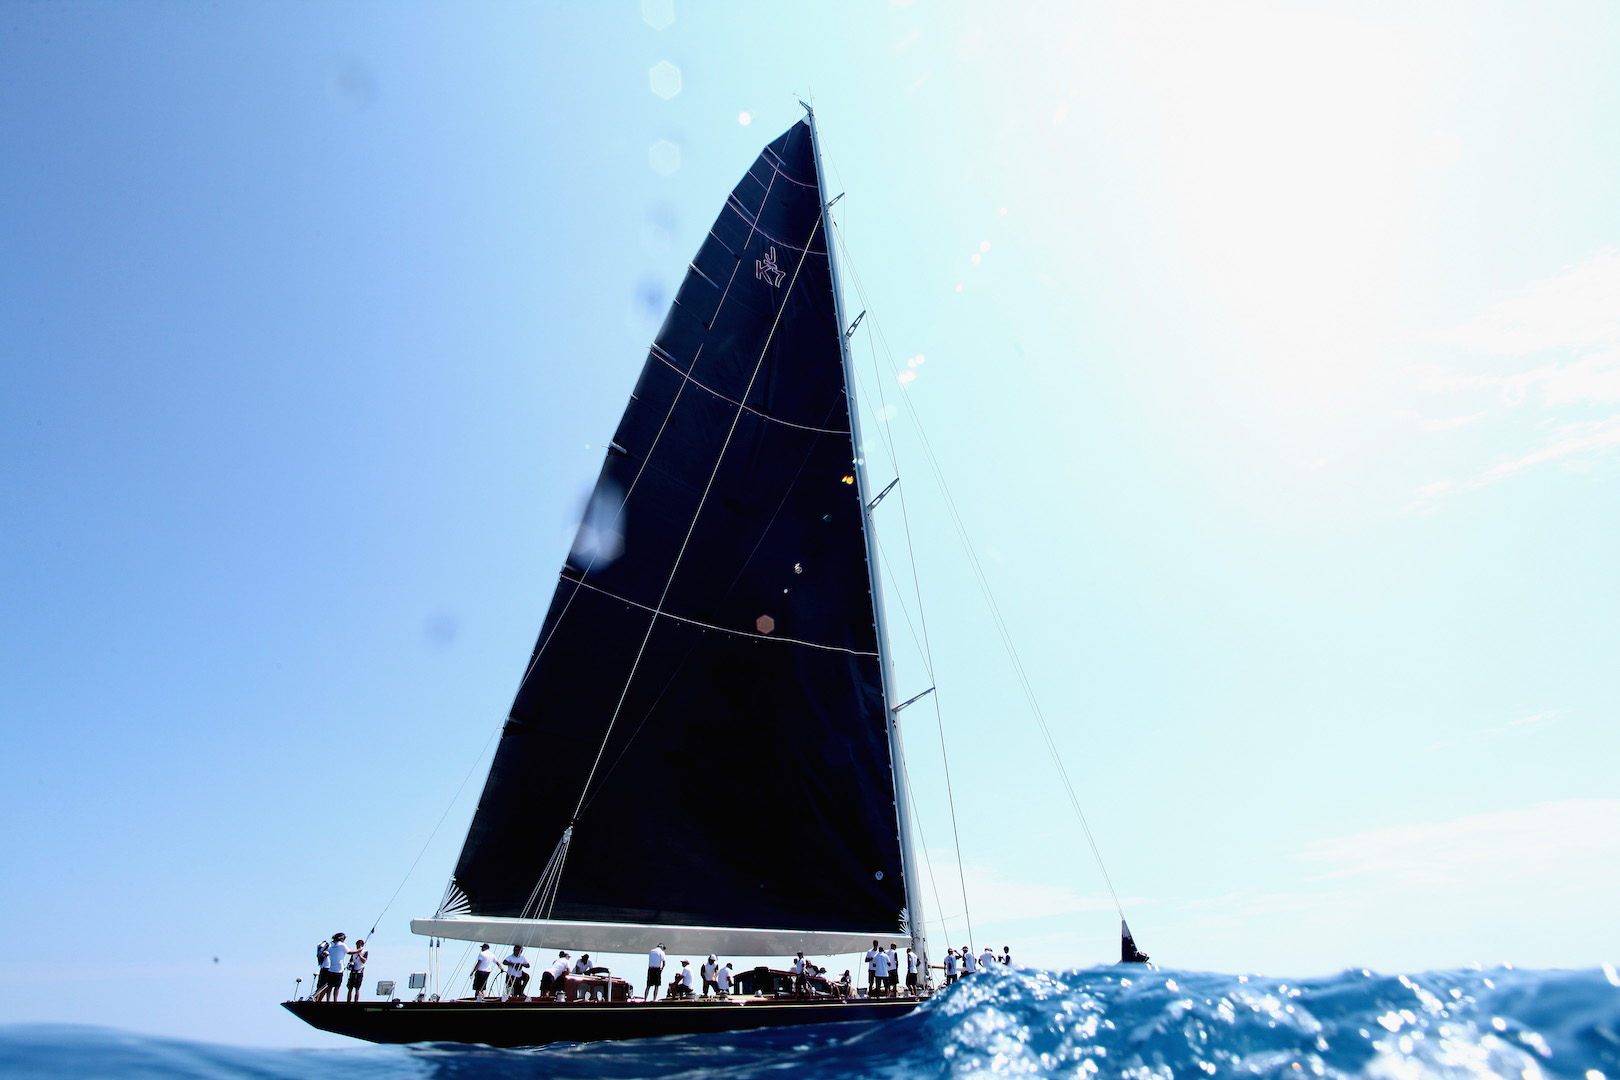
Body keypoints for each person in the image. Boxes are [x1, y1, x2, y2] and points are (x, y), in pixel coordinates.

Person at [320, 933, 349, 1003]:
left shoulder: (332, 946)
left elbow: (325, 951)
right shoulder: (342, 945)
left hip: (331, 969)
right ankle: (335, 1000)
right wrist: (360, 950)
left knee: (330, 986)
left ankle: (328, 1000)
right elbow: (349, 952)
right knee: (337, 987)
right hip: (339, 969)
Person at [345, 938, 368, 1003]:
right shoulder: (353, 953)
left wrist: (359, 955)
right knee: (350, 988)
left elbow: (364, 961)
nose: (357, 946)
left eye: (359, 945)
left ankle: (356, 1001)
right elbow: (350, 961)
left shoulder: (365, 952)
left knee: (357, 988)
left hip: (359, 971)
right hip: (353, 971)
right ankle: (348, 1001)